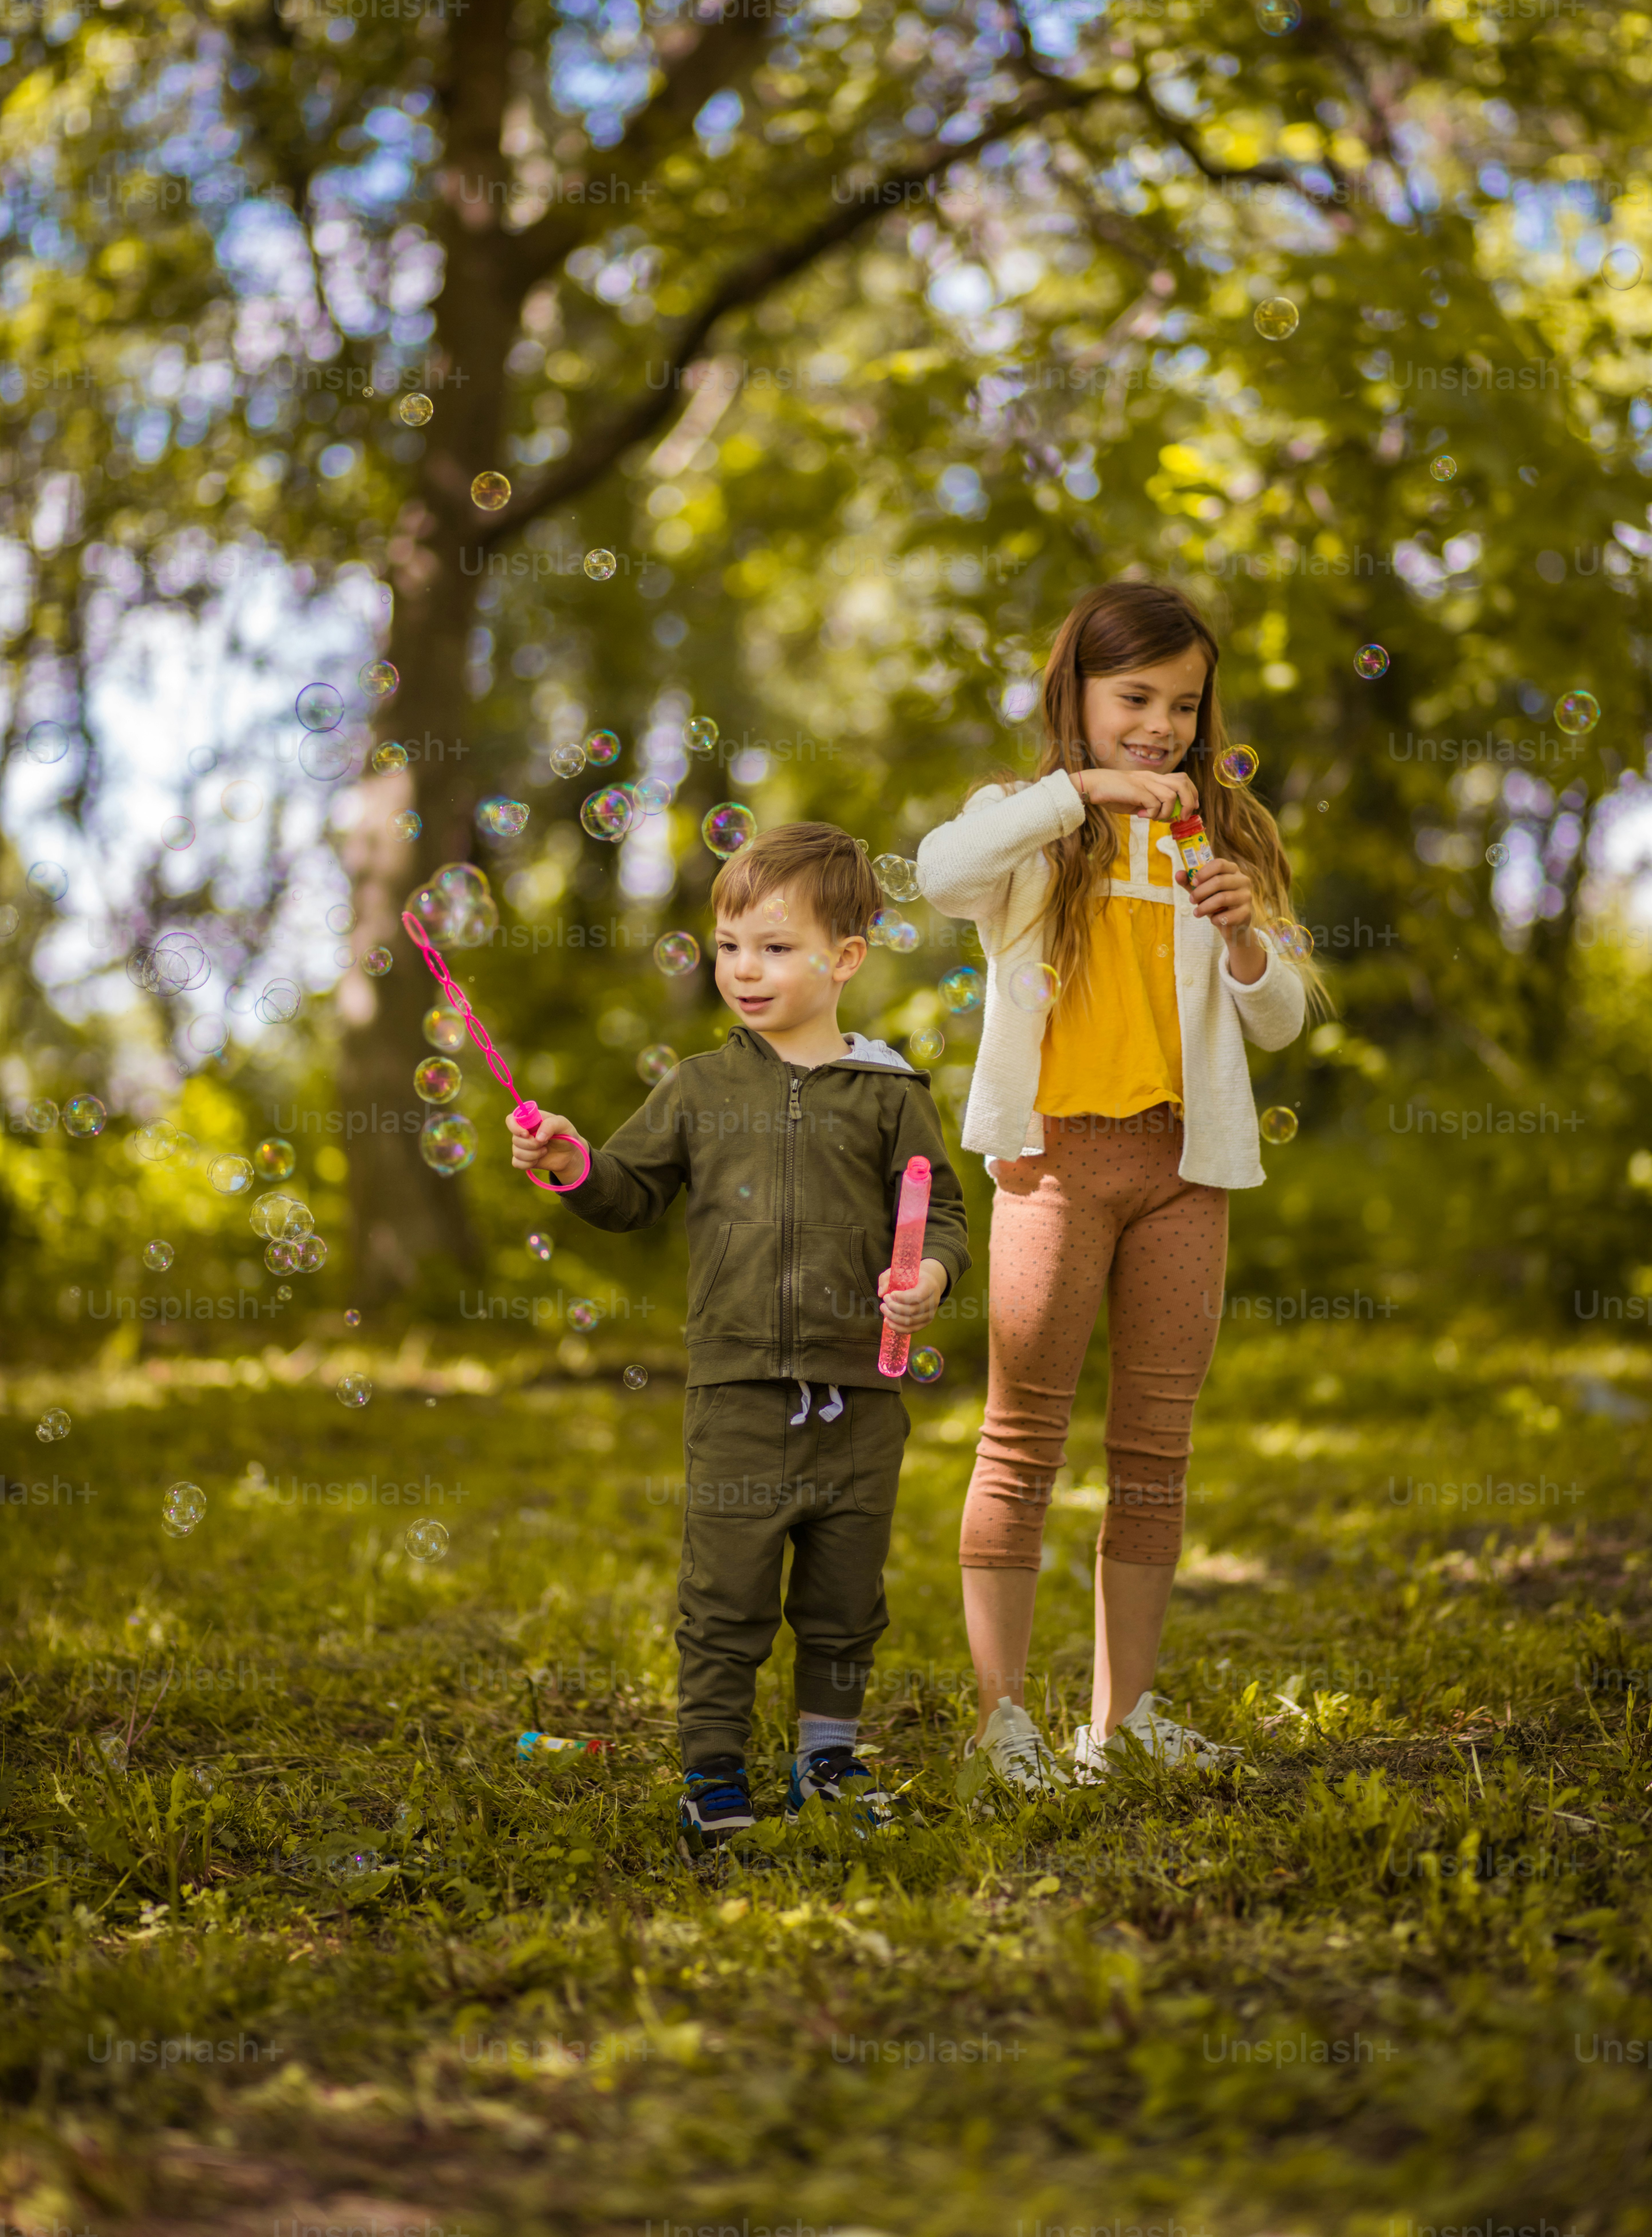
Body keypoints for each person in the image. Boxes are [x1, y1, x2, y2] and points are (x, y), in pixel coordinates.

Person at [917, 579, 1322, 1790]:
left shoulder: (1224, 836)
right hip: (1052, 1164)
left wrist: (1247, 940)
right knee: (1020, 1435)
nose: (1159, 726)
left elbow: (1283, 1017)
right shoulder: (1031, 825)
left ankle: (1122, 1714)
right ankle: (1002, 1721)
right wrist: (1080, 790)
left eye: (1183, 705)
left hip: (1185, 1168)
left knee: (1156, 1444)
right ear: (1076, 697)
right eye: (1132, 697)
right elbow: (937, 870)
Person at [509, 821, 971, 1855]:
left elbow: (940, 1213)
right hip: (738, 1394)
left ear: (845, 958)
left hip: (862, 1394)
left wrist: (929, 1274)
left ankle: (828, 1758)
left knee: (847, 1595)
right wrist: (573, 1161)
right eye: (728, 947)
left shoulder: (892, 1092)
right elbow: (627, 1197)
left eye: (772, 945)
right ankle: (712, 1770)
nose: (743, 969)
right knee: (724, 1592)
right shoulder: (698, 1089)